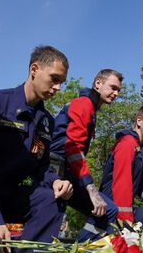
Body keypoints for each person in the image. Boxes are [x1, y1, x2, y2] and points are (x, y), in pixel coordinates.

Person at [0, 45, 73, 253]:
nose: (58, 87)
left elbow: (40, 169)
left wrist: (55, 181)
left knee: (52, 198)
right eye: (54, 78)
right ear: (34, 69)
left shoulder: (46, 121)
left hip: (9, 196)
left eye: (62, 82)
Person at [80, 104, 143, 242]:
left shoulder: (139, 149)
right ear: (139, 120)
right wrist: (126, 225)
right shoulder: (127, 144)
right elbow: (121, 186)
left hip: (127, 211)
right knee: (90, 251)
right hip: (113, 214)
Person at [49, 69, 122, 241]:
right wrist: (91, 189)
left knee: (107, 210)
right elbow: (73, 148)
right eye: (112, 87)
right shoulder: (84, 104)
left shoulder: (90, 108)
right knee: (50, 220)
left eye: (118, 90)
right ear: (98, 84)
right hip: (56, 169)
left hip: (66, 170)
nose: (116, 93)